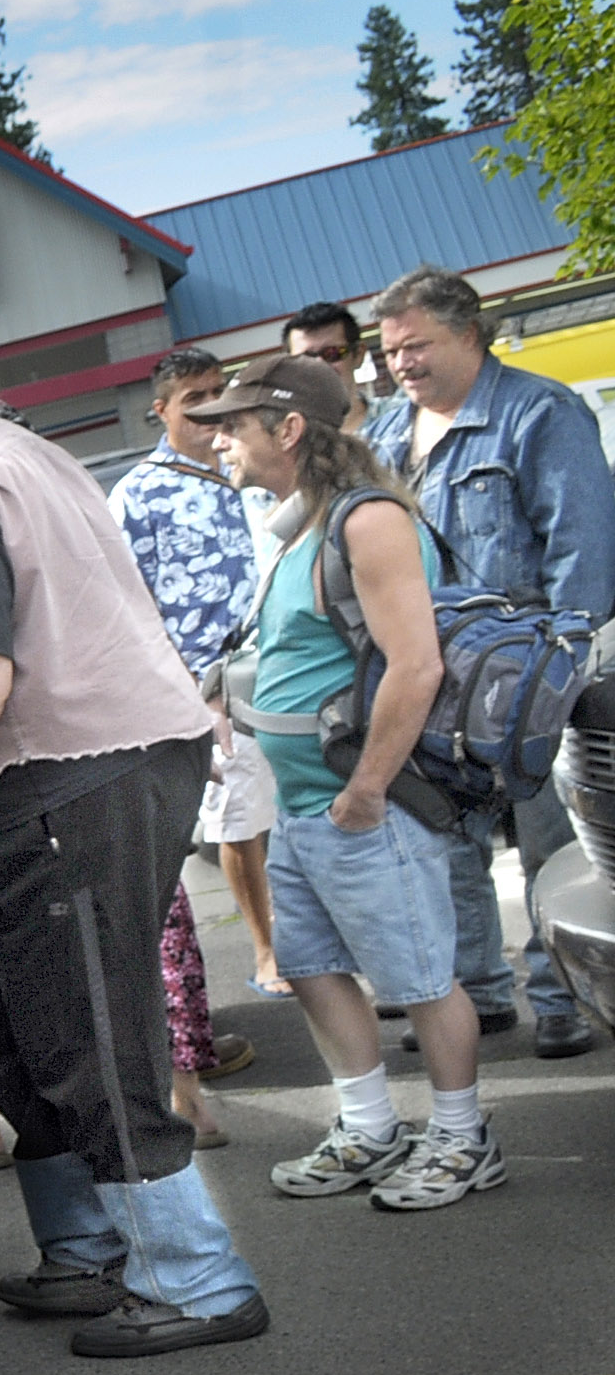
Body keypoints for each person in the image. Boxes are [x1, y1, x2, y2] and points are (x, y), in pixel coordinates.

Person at [0, 341, 265, 1356]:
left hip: (64, 780)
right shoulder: (18, 455)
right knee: (13, 1024)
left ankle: (198, 1279)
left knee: (88, 1037)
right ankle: (86, 1249)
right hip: (88, 772)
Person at [199, 355, 500, 1209]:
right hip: (306, 804)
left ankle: (462, 1137)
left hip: (365, 805)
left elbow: (416, 665)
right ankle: (370, 1128)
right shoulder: (302, 524)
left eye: (235, 423)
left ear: (289, 429)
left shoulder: (365, 523)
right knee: (312, 967)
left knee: (421, 979)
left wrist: (367, 790)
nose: (219, 438)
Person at [364, 263, 615, 1060]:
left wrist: (566, 676)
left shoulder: (541, 413)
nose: (399, 363)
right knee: (449, 844)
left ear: (470, 335)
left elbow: (583, 556)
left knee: (548, 846)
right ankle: (481, 994)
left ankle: (562, 1003)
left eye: (414, 345)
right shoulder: (382, 435)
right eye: (389, 350)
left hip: (528, 681)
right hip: (427, 676)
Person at [111, 344, 280, 1024]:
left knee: (305, 817)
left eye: (219, 393)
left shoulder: (259, 467)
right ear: (160, 410)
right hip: (210, 692)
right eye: (193, 400)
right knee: (241, 825)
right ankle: (268, 951)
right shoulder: (139, 495)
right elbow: (128, 608)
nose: (211, 411)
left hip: (290, 672)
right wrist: (181, 696)